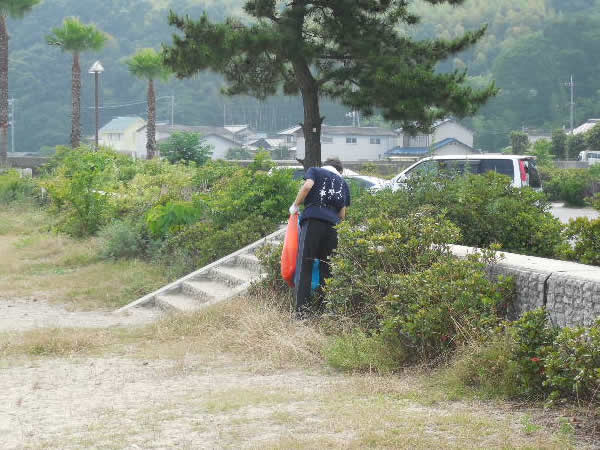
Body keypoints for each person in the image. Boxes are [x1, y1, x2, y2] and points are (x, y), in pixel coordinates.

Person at [288, 157, 350, 317]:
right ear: (340, 171)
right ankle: (324, 311)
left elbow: (307, 186)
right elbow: (342, 214)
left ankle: (302, 313)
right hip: (333, 227)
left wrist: (295, 206)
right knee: (327, 268)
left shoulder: (315, 171)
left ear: (325, 166)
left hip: (313, 221)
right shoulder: (343, 183)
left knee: (305, 264)